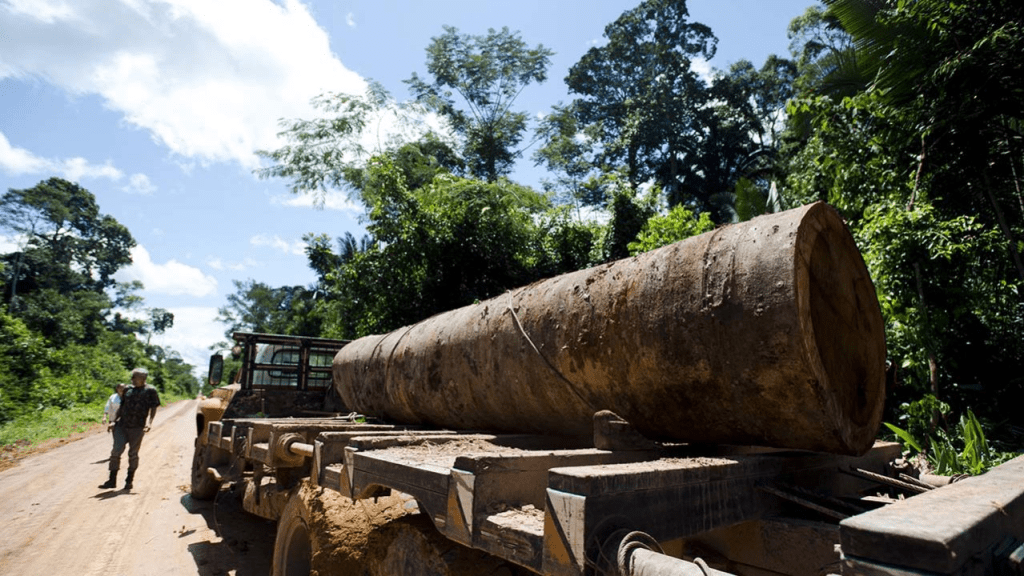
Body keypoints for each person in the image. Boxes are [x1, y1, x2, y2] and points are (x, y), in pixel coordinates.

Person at [99, 368, 160, 491]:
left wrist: (149, 423)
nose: (132, 379)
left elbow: (153, 408)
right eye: (132, 377)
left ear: (143, 379)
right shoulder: (128, 389)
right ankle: (112, 480)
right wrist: (113, 421)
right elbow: (122, 406)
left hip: (137, 427)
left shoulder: (151, 391)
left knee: (133, 454)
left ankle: (129, 481)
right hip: (122, 425)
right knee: (115, 452)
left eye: (135, 377)